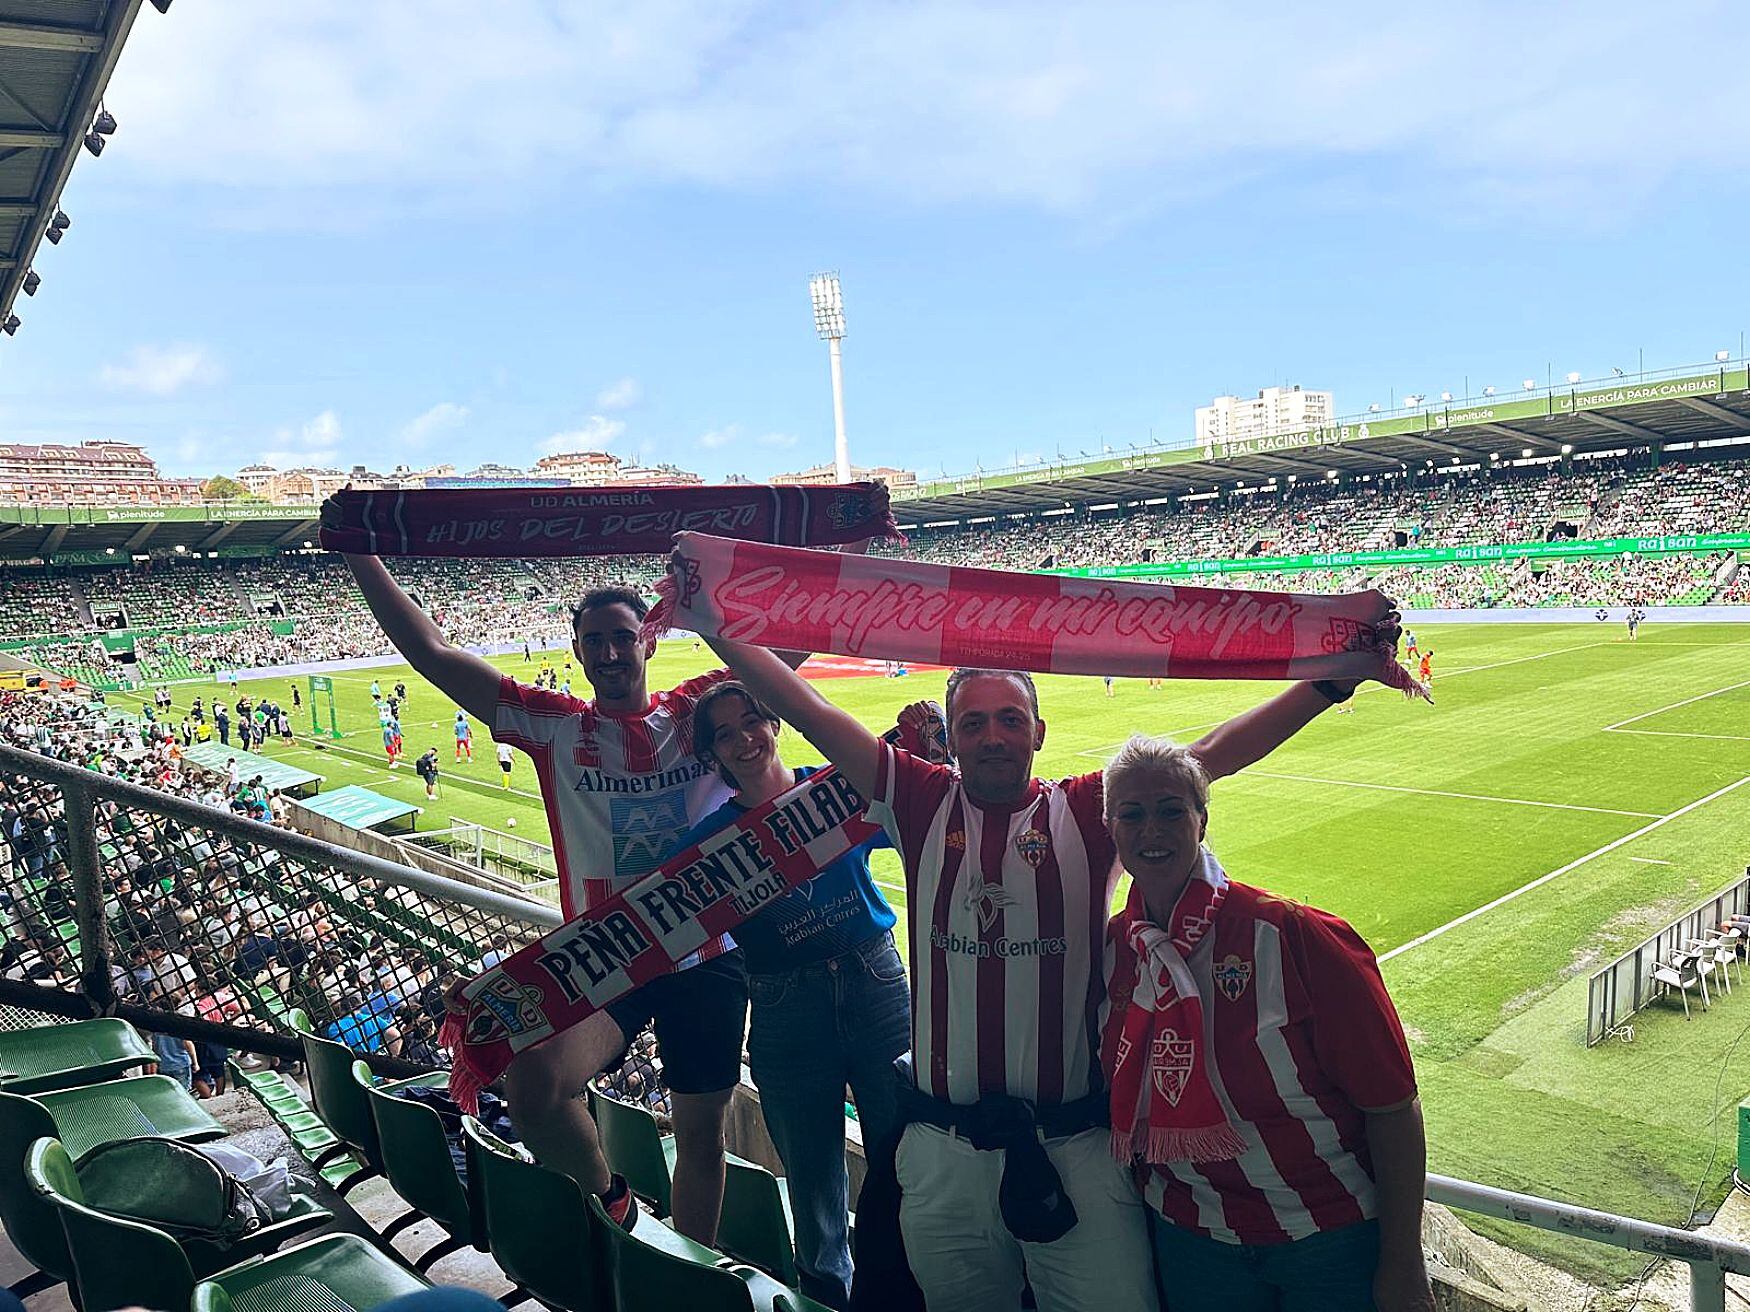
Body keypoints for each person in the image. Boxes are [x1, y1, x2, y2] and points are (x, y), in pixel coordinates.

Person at [704, 625, 1400, 1312]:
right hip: (946, 1150)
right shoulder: (918, 799)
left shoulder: (1085, 811)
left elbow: (1211, 755)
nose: (993, 736)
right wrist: (715, 626)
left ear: (1039, 732)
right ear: (951, 735)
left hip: (1077, 1147)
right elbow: (808, 709)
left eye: (1011, 719)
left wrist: (1330, 682)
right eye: (972, 723)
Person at [336, 543, 831, 1244]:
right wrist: (362, 557)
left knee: (701, 1140)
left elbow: (789, 650)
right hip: (606, 955)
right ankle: (614, 1204)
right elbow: (436, 655)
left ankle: (686, 1276)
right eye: (593, 639)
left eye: (622, 636)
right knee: (533, 1083)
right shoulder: (556, 726)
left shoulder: (696, 713)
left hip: (706, 957)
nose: (608, 651)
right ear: (575, 649)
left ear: (648, 641)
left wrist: (845, 545)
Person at [1098, 735, 1431, 1312]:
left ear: (1202, 821)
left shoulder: (1294, 937)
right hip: (1191, 1241)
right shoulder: (1113, 952)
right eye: (1132, 813)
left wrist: (1403, 1260)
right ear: (1110, 829)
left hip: (1325, 1241)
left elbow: (1392, 1106)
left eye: (1172, 810)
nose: (1151, 829)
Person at [686, 682, 912, 1309]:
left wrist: (928, 742)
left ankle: (901, 1290)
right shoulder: (708, 848)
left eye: (751, 721)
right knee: (812, 1186)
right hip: (786, 1009)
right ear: (714, 755)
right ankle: (830, 1301)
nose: (743, 739)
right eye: (725, 734)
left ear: (775, 723)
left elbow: (926, 810)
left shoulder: (839, 789)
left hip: (876, 986)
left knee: (911, 1160)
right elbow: (642, 923)